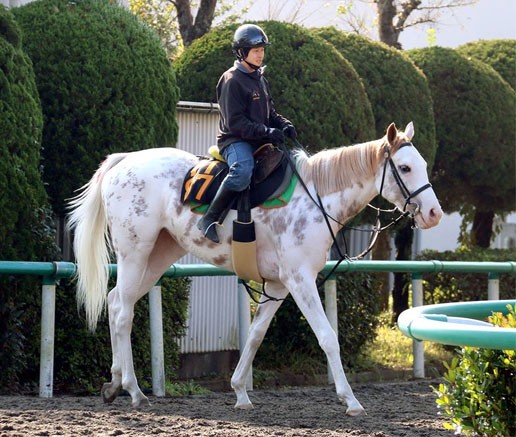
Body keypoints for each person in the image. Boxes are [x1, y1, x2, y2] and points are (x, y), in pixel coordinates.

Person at [197, 23, 297, 243]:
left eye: (262, 50)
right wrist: (267, 132)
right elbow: (236, 123)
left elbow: (270, 112)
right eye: (256, 51)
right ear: (242, 52)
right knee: (242, 172)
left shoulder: (260, 78)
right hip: (235, 140)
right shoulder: (231, 80)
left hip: (258, 140)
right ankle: (209, 219)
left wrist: (283, 124)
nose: (261, 55)